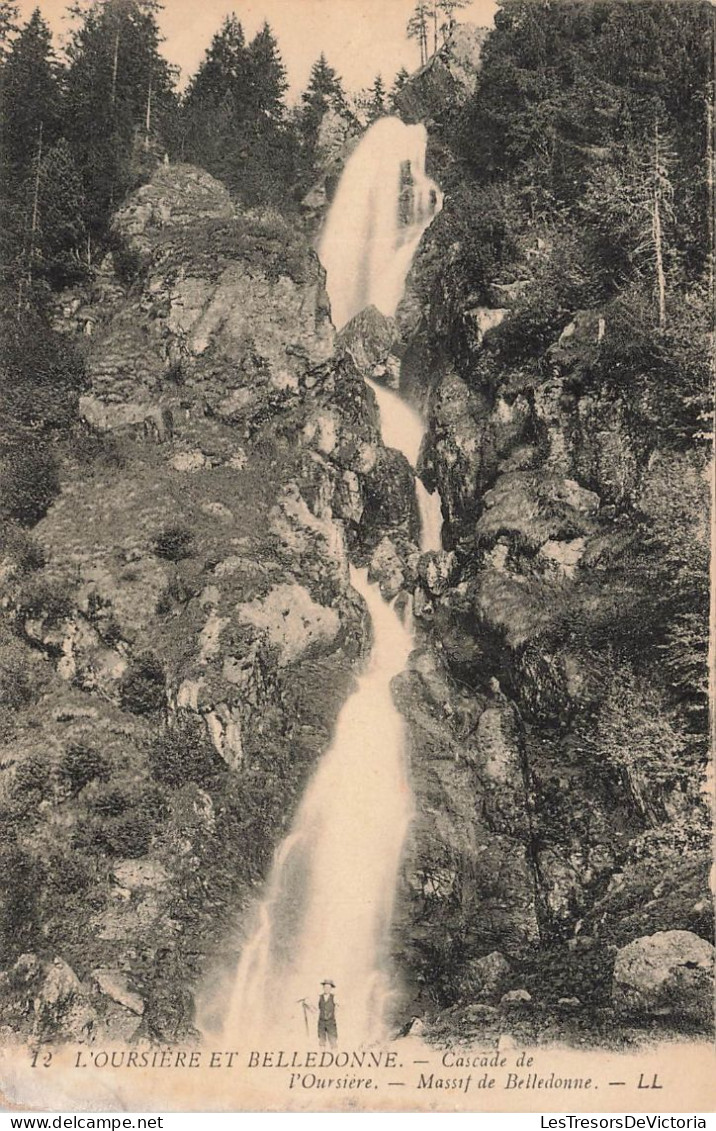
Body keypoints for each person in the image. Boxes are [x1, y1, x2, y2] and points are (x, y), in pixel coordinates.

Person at [317, 979, 338, 1048]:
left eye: (328, 988)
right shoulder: (319, 997)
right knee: (322, 1042)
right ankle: (322, 1056)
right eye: (325, 987)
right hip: (321, 1022)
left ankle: (334, 1056)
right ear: (323, 988)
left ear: (331, 988)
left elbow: (339, 1008)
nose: (327, 989)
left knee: (333, 1041)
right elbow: (315, 1008)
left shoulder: (334, 997)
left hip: (331, 1022)